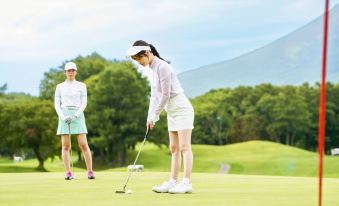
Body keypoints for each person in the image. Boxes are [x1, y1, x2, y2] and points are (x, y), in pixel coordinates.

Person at [126, 40, 194, 194]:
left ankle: (186, 182)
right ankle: (172, 181)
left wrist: (156, 115)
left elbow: (165, 94)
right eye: (136, 60)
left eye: (139, 59)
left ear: (148, 53)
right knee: (174, 148)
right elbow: (154, 97)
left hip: (181, 109)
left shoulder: (162, 66)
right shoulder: (153, 69)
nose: (139, 63)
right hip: (171, 111)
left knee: (184, 147)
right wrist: (150, 116)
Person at [54, 62, 95, 180]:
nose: (71, 72)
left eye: (73, 70)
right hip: (64, 114)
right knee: (66, 145)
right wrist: (62, 116)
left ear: (76, 72)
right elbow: (57, 105)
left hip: (78, 114)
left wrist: (76, 115)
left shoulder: (82, 85)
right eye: (68, 71)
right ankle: (68, 172)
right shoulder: (59, 86)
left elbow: (84, 103)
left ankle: (90, 171)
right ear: (65, 72)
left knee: (83, 144)